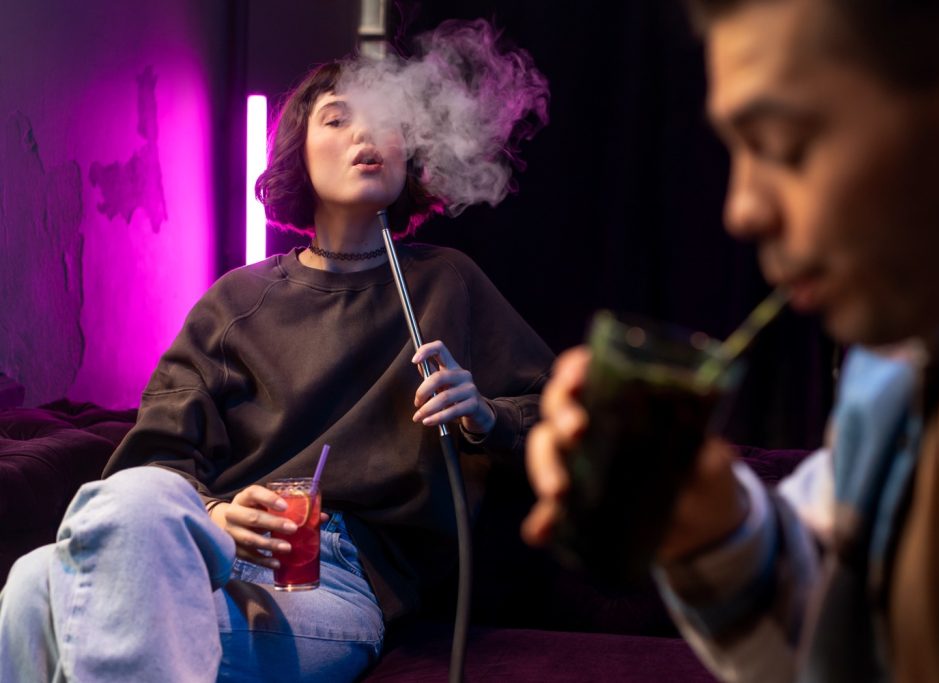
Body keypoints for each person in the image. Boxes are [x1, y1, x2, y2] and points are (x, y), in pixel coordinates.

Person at [0, 59, 552, 682]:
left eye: (386, 121)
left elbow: (563, 419)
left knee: (38, 594)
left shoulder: (447, 283)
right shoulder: (236, 302)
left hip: (338, 579)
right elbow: (148, 460)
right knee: (70, 553)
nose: (363, 136)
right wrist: (213, 513)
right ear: (300, 150)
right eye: (338, 118)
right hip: (207, 554)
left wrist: (486, 416)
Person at [522, 0, 939, 681]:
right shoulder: (896, 373)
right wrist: (713, 527)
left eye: (782, 146)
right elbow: (840, 622)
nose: (741, 209)